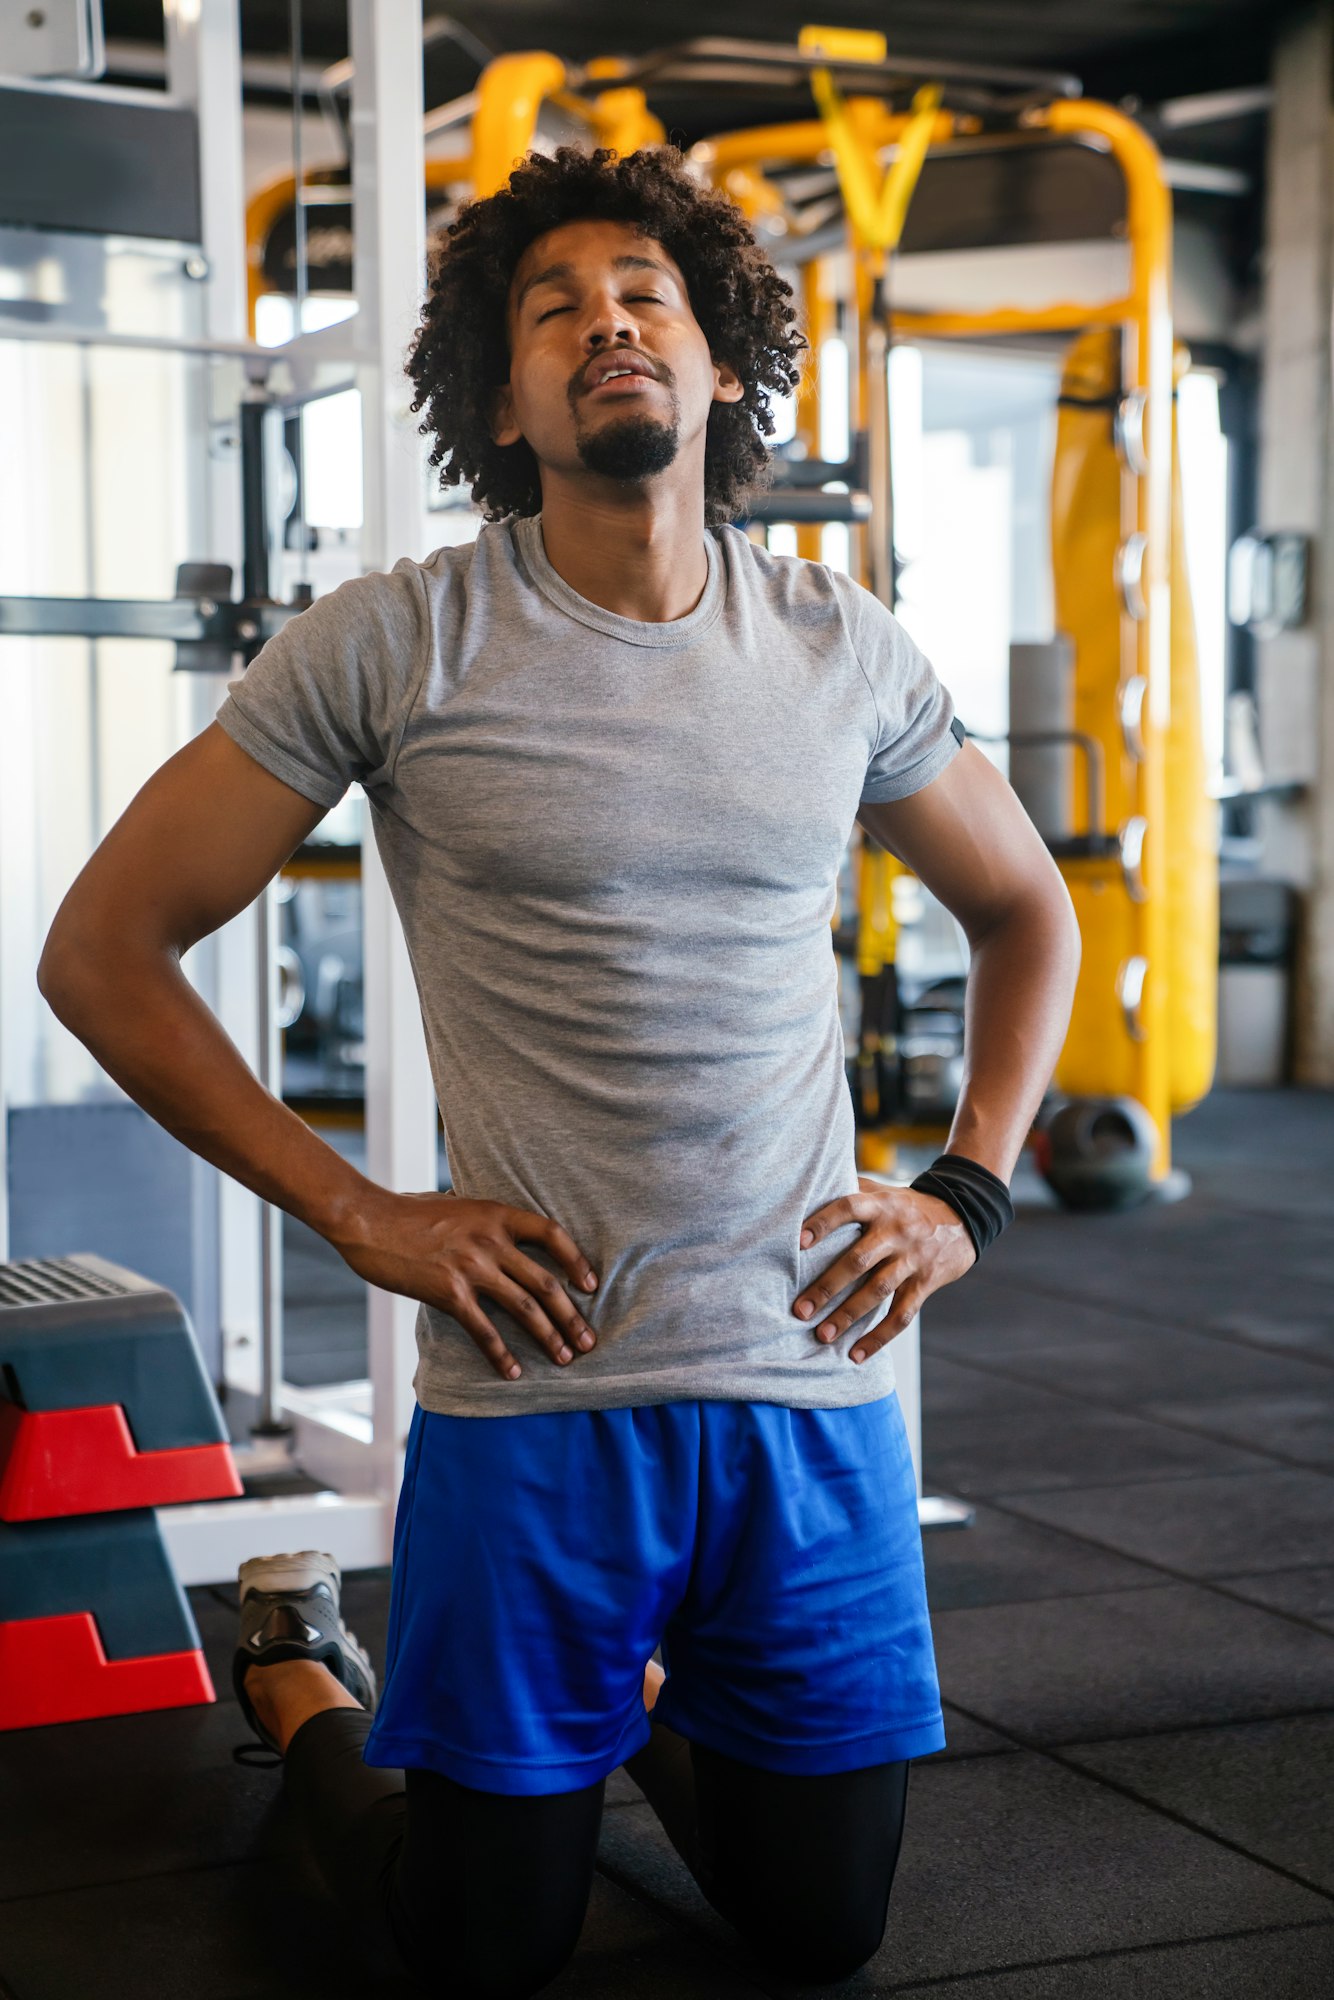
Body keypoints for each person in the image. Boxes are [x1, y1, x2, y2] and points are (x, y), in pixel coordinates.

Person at [39, 146, 1080, 1997]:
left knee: (822, 1929)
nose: (606, 317)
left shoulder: (840, 645)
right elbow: (102, 950)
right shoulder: (398, 636)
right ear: (501, 400)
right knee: (480, 1944)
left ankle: (627, 1693)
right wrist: (357, 1209)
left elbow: (1025, 913)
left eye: (645, 293)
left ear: (718, 362)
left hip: (807, 1378)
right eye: (554, 307)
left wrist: (965, 1192)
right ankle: (295, 1678)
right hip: (541, 1390)